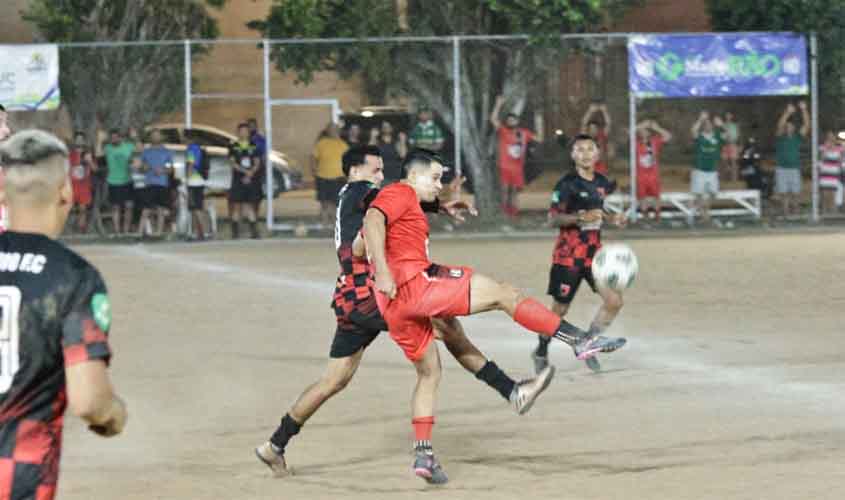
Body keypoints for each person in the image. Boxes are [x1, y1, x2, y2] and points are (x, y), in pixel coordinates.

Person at [254, 146, 555, 478]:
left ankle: (275, 445)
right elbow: (389, 206)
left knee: (334, 380)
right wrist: (434, 206)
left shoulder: (350, 195)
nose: (381, 176)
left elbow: (399, 204)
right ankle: (510, 392)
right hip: (376, 291)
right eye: (375, 169)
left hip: (350, 296)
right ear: (354, 171)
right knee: (446, 333)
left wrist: (439, 205)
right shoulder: (362, 192)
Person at [361, 149, 626, 483]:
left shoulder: (406, 199)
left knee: (433, 368)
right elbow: (373, 220)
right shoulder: (397, 192)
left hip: (393, 304)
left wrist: (441, 207)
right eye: (435, 178)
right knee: (505, 294)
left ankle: (428, 453)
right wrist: (383, 272)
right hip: (414, 285)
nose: (440, 184)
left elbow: (377, 231)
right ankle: (579, 340)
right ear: (412, 176)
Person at [0, 130, 128, 500]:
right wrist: (112, 415)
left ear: (2, 195)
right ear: (66, 193)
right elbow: (89, 401)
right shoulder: (72, 277)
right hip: (17, 479)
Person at [531, 134, 629, 375]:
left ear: (597, 154)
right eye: (580, 150)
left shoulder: (602, 182)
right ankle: (541, 350)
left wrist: (611, 218)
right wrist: (578, 218)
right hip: (568, 256)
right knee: (559, 310)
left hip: (594, 255)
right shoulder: (566, 184)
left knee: (614, 301)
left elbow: (597, 209)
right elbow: (553, 218)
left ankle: (589, 344)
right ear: (573, 155)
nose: (585, 153)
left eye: (590, 149)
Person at [490, 95, 544, 217]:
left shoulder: (523, 133)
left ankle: (513, 211)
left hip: (517, 167)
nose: (511, 122)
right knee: (504, 189)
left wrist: (539, 120)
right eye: (509, 120)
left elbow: (539, 138)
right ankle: (504, 211)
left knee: (514, 190)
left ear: (517, 121)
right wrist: (498, 104)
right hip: (504, 166)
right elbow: (493, 120)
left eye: (513, 120)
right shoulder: (503, 131)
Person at [774, 102, 810, 216]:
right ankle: (785, 213)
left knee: (796, 193)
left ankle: (796, 213)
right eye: (787, 126)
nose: (789, 127)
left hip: (794, 168)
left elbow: (807, 125)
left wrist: (804, 110)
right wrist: (787, 112)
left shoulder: (797, 138)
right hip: (782, 168)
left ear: (794, 128)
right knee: (783, 193)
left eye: (791, 126)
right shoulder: (780, 137)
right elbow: (779, 125)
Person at [228, 123, 263, 239]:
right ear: (238, 133)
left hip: (250, 180)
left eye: (245, 131)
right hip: (238, 179)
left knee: (249, 205)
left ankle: (254, 232)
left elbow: (257, 163)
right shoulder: (233, 146)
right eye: (241, 131)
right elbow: (232, 163)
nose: (243, 133)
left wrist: (251, 173)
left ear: (248, 133)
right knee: (236, 205)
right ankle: (235, 232)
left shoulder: (254, 145)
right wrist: (244, 172)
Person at [690, 111, 725, 225]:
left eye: (710, 124)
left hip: (712, 171)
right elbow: (693, 131)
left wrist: (722, 125)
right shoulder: (700, 137)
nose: (708, 126)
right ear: (703, 127)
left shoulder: (717, 136)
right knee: (699, 194)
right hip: (700, 170)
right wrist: (700, 119)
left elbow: (729, 136)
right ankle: (705, 217)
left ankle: (701, 208)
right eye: (706, 124)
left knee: (713, 193)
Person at [635, 119, 672, 223]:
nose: (644, 131)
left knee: (656, 197)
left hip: (653, 175)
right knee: (642, 197)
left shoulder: (654, 141)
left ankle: (657, 216)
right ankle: (645, 217)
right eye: (642, 130)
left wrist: (656, 128)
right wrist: (641, 124)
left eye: (646, 130)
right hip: (641, 175)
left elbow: (668, 136)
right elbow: (630, 131)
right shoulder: (636, 143)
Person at [312, 122, 348, 228]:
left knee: (335, 203)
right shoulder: (321, 143)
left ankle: (333, 225)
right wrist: (314, 170)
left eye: (336, 129)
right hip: (322, 177)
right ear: (327, 131)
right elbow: (313, 157)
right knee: (324, 203)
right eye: (332, 129)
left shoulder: (343, 144)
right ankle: (324, 224)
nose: (334, 131)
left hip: (339, 178)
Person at [139, 129, 173, 237]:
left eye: (157, 135)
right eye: (153, 135)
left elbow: (170, 168)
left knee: (161, 209)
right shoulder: (146, 152)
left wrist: (163, 170)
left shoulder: (166, 152)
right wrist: (144, 168)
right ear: (151, 138)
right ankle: (139, 232)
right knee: (146, 209)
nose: (155, 137)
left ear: (161, 137)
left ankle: (158, 232)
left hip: (162, 183)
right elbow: (141, 168)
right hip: (150, 183)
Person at [103, 129, 135, 234]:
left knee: (128, 206)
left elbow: (139, 151)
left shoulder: (129, 146)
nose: (114, 139)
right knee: (116, 207)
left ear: (121, 138)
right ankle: (117, 231)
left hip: (127, 180)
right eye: (112, 138)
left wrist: (135, 137)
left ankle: (126, 231)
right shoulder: (107, 148)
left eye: (116, 137)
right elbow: (98, 152)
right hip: (113, 181)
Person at [68, 131, 97, 233]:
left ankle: (81, 228)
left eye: (81, 139)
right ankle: (69, 228)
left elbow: (95, 169)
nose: (79, 141)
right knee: (68, 209)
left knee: (83, 209)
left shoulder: (88, 154)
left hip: (84, 185)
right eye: (77, 139)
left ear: (84, 141)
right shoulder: (70, 154)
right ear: (74, 141)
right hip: (72, 185)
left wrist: (89, 161)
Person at [184, 135, 208, 240]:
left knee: (196, 207)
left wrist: (187, 180)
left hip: (194, 181)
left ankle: (204, 231)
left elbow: (190, 164)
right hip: (200, 180)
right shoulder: (200, 149)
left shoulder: (191, 149)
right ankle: (194, 233)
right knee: (195, 208)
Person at [580, 103, 612, 175]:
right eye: (591, 128)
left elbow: (608, 124)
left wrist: (604, 111)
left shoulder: (601, 136)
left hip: (601, 168)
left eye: (594, 128)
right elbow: (583, 124)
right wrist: (590, 111)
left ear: (597, 129)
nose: (593, 130)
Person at [818, 130, 844, 215]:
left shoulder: (840, 148)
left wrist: (840, 172)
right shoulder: (822, 147)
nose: (830, 137)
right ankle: (824, 212)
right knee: (825, 195)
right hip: (825, 174)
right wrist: (827, 148)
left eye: (832, 136)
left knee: (833, 194)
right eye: (829, 136)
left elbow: (840, 161)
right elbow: (821, 159)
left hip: (834, 174)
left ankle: (833, 213)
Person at [721, 112, 741, 181]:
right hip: (724, 145)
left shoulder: (735, 125)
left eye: (729, 115)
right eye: (727, 115)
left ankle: (734, 179)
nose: (728, 116)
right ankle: (724, 179)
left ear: (732, 116)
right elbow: (721, 136)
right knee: (724, 162)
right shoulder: (722, 125)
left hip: (733, 144)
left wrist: (739, 145)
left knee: (734, 162)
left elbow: (738, 136)